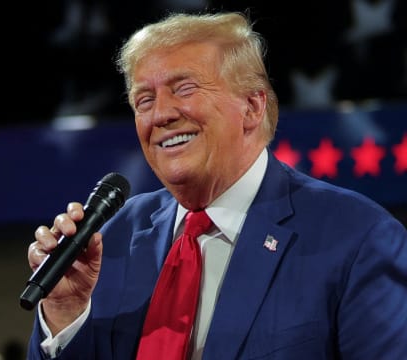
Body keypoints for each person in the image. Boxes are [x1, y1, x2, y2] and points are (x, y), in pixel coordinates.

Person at [25, 11, 407, 360]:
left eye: (185, 88)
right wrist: (65, 314)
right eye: (144, 100)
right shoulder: (114, 236)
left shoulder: (359, 237)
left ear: (252, 107)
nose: (160, 114)